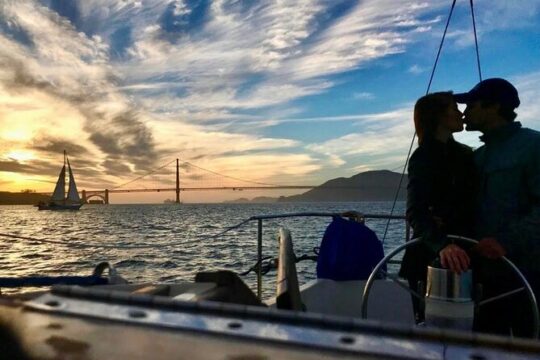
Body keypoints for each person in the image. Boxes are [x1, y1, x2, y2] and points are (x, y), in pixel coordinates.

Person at [455, 77, 540, 337]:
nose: (464, 112)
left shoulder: (534, 146)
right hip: (484, 276)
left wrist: (506, 242)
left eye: (471, 105)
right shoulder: (477, 157)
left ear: (492, 107)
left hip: (528, 275)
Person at [399, 92, 476, 323]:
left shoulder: (465, 155)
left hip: (467, 251)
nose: (460, 113)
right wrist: (442, 245)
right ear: (438, 116)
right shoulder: (423, 157)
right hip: (431, 255)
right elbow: (415, 210)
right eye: (453, 108)